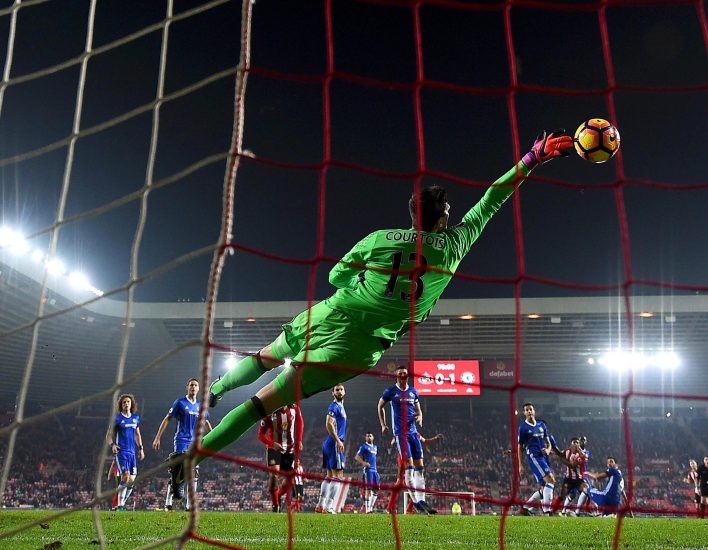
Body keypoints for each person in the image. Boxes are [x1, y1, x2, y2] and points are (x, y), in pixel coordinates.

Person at [198, 131, 573, 462]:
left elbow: (335, 275)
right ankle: (189, 462)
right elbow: (493, 199)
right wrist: (532, 158)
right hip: (359, 346)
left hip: (332, 313)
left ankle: (216, 389)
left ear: (412, 216)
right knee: (259, 406)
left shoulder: (379, 238)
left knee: (266, 356)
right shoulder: (454, 245)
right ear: (442, 218)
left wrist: (365, 282)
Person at [379, 365, 437, 514]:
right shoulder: (391, 391)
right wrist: (383, 425)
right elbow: (380, 406)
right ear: (396, 376)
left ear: (408, 376)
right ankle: (416, 503)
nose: (403, 376)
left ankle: (422, 501)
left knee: (420, 468)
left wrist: (420, 417)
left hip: (413, 433)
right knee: (409, 467)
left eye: (405, 373)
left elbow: (419, 410)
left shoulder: (413, 392)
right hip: (401, 434)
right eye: (400, 374)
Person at [152, 378, 213, 511]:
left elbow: (206, 422)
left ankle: (189, 505)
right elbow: (167, 418)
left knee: (194, 472)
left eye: (195, 385)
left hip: (195, 442)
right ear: (187, 387)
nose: (193, 387)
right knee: (178, 472)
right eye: (191, 385)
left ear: (198, 389)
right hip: (181, 441)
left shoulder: (200, 406)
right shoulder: (179, 402)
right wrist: (158, 437)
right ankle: (168, 502)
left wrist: (214, 437)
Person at [258, 403, 303, 512]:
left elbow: (300, 423)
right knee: (274, 476)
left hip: (290, 449)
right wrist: (272, 443)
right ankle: (275, 506)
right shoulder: (269, 413)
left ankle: (277, 496)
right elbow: (260, 434)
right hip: (274, 449)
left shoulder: (294, 408)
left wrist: (299, 440)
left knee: (290, 478)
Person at [516, 402, 556, 515]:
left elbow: (548, 443)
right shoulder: (523, 428)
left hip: (543, 457)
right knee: (551, 480)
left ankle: (525, 508)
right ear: (524, 413)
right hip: (534, 457)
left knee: (544, 486)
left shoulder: (541, 426)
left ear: (534, 411)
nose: (529, 411)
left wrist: (548, 450)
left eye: (531, 409)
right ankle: (547, 512)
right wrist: (521, 465)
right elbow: (520, 447)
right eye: (527, 410)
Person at [108, 394, 144, 511]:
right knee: (125, 477)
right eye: (124, 402)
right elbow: (109, 435)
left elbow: (137, 435)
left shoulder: (135, 418)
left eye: (128, 402)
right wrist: (112, 445)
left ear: (131, 404)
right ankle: (120, 506)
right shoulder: (117, 419)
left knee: (131, 482)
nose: (126, 404)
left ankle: (120, 504)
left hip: (132, 453)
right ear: (121, 405)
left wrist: (141, 449)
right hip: (121, 452)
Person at [318, 384, 347, 514]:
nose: (339, 392)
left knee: (329, 476)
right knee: (338, 475)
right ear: (333, 393)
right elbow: (328, 423)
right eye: (337, 390)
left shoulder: (341, 406)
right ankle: (329, 507)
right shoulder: (334, 406)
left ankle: (320, 505)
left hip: (328, 444)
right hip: (334, 443)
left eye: (341, 389)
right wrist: (338, 440)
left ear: (344, 392)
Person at [556, 437, 589, 516]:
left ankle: (581, 511)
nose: (577, 443)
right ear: (571, 444)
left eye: (578, 442)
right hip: (569, 479)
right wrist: (552, 448)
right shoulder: (567, 451)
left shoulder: (584, 453)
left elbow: (573, 465)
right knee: (564, 495)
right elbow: (559, 454)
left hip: (580, 478)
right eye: (575, 442)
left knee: (587, 491)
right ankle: (553, 510)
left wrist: (562, 460)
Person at [355, 431, 379, 513]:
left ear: (373, 437)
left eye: (370, 436)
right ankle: (368, 510)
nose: (369, 437)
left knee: (376, 490)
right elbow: (357, 457)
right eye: (367, 436)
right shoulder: (364, 447)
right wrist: (364, 463)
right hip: (368, 471)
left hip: (375, 470)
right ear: (365, 438)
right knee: (368, 489)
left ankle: (371, 507)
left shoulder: (375, 447)